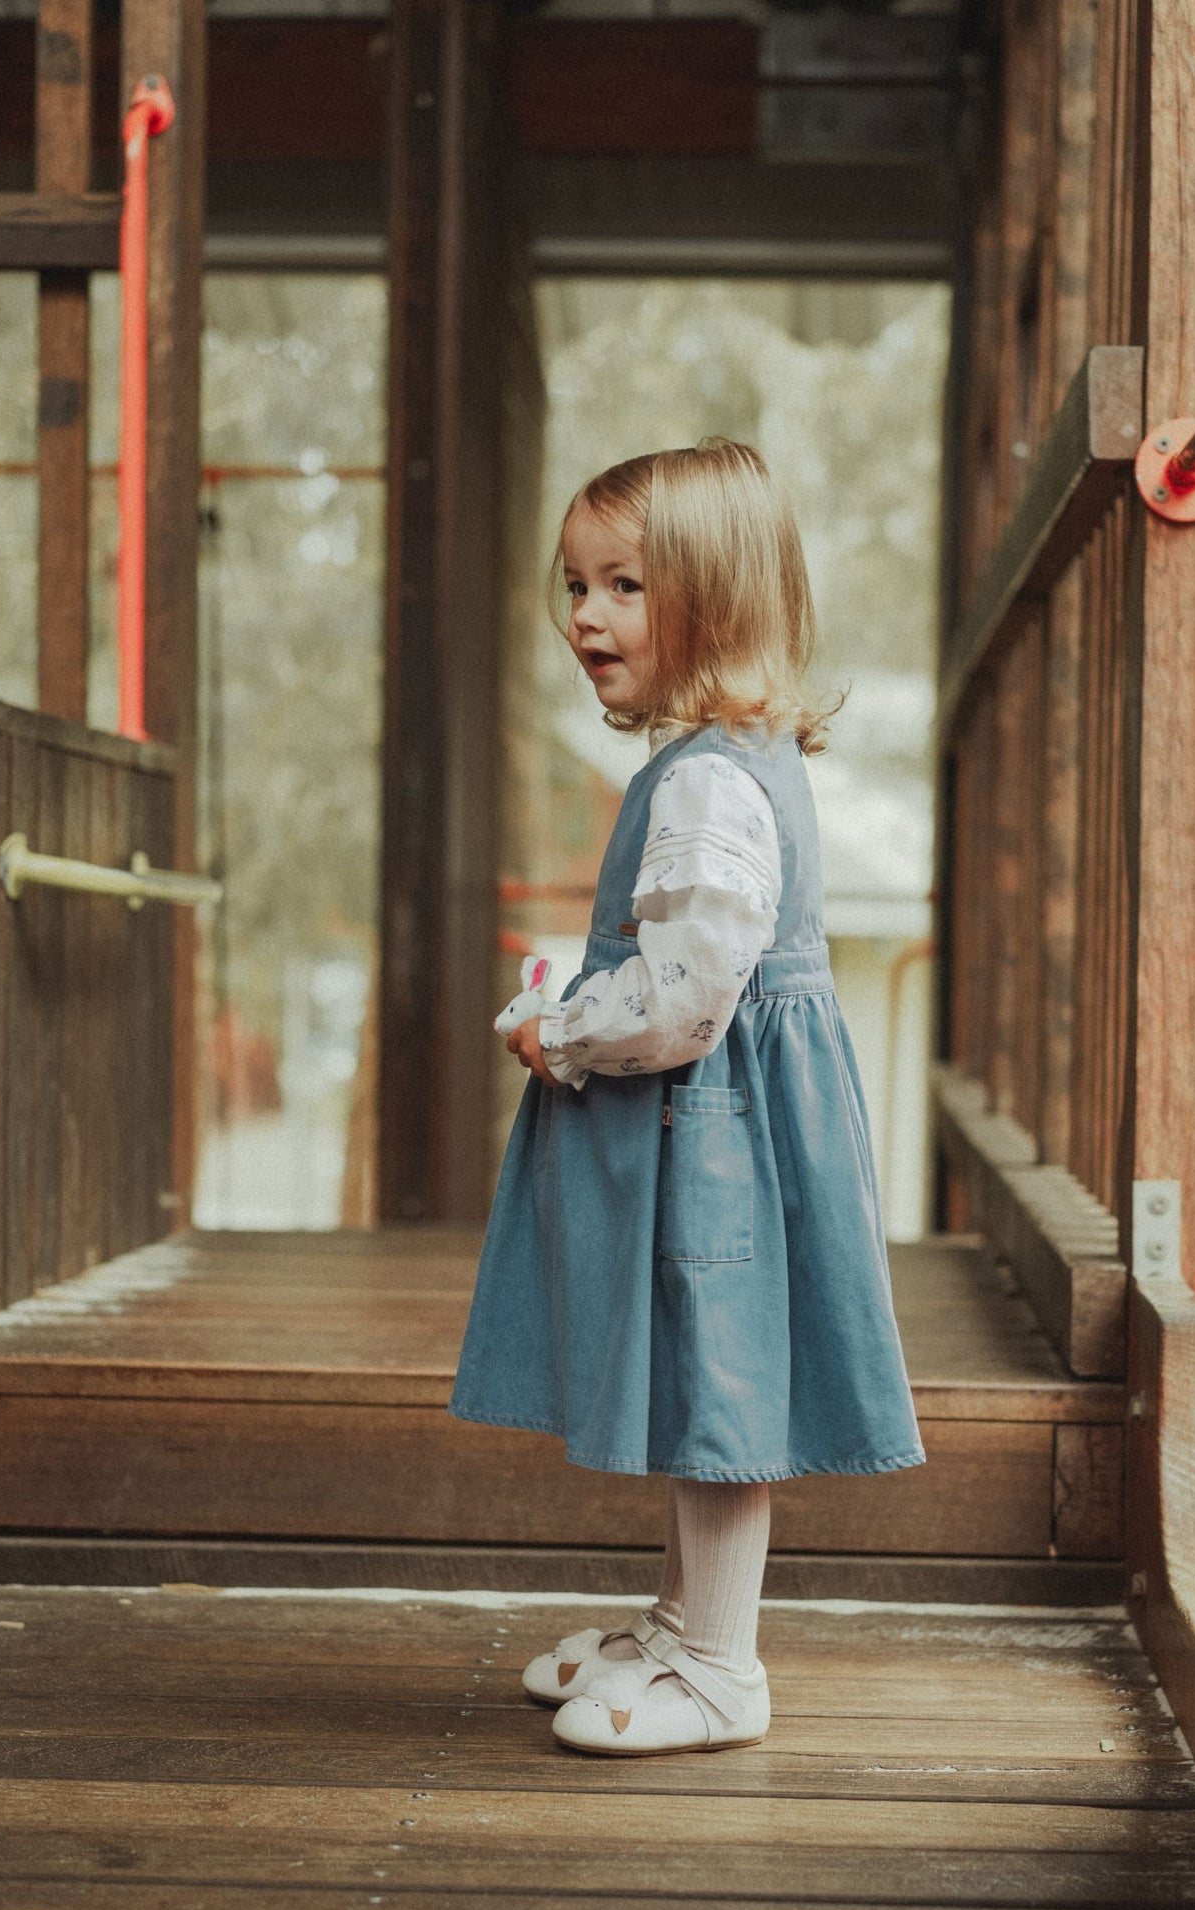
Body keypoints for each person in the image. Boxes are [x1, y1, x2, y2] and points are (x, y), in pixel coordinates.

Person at [449, 439, 924, 1758]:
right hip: (711, 1123)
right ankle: (678, 1624)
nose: (585, 617)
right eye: (575, 585)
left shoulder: (712, 779)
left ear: (714, 600)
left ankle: (720, 1667)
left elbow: (684, 1001)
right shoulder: (718, 759)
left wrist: (560, 1029)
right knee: (695, 1373)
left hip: (715, 1130)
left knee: (721, 1389)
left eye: (625, 586)